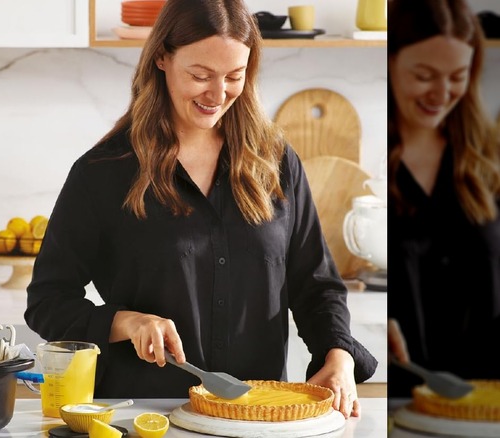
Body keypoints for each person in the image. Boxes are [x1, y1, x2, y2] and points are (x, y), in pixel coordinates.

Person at [25, 0, 377, 418]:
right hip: (145, 416)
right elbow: (47, 300)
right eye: (200, 75)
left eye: (234, 77)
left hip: (257, 418)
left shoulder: (276, 163)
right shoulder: (103, 172)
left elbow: (316, 285)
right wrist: (127, 322)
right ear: (161, 58)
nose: (218, 93)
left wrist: (338, 355)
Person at [388, 0, 500, 398]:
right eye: (424, 75)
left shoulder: (485, 163)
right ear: (389, 62)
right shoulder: (377, 166)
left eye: (457, 76)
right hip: (401, 402)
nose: (442, 93)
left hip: (485, 402)